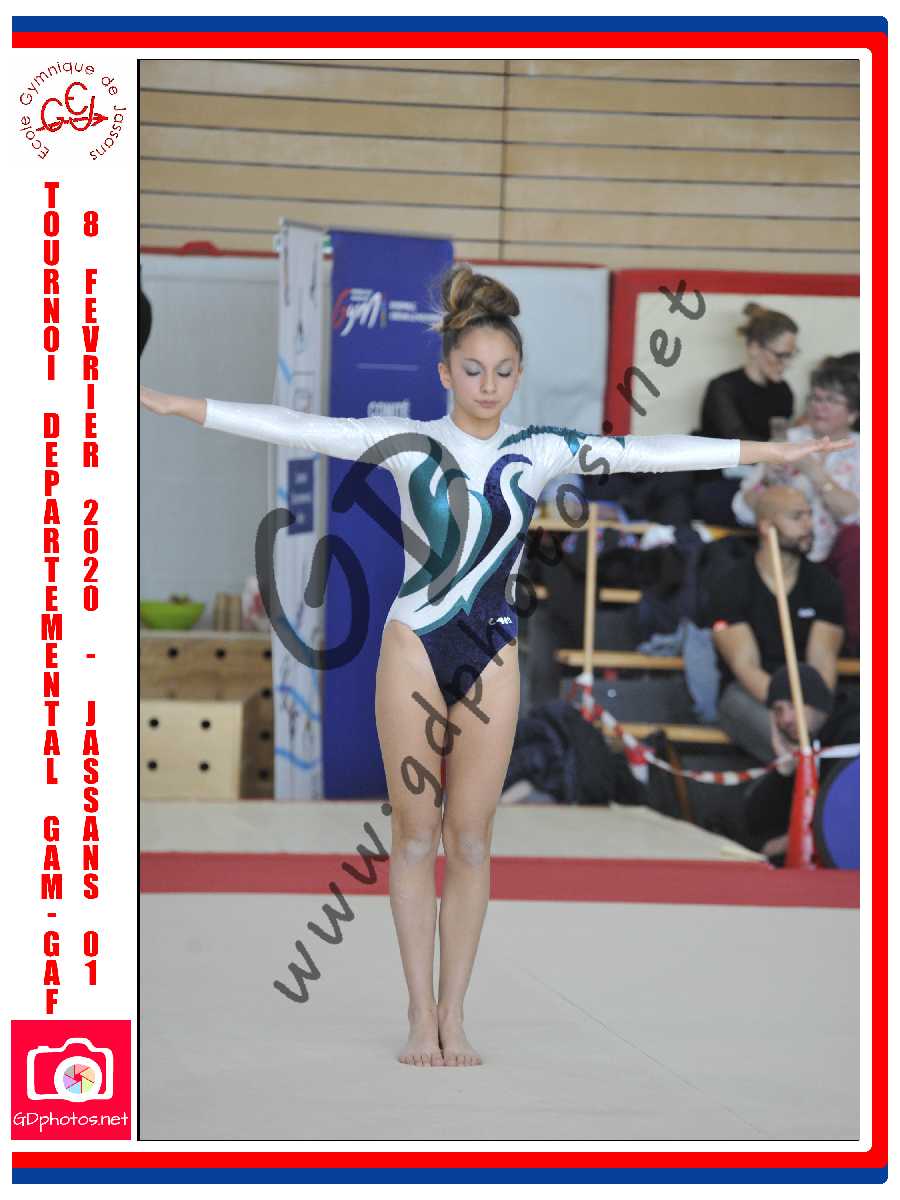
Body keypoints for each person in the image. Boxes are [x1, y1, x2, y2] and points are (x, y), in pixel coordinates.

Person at [140, 265, 851, 1068]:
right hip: (414, 642)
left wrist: (773, 450)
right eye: (473, 370)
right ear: (445, 373)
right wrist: (181, 406)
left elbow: (651, 453)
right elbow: (297, 427)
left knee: (472, 840)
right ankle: (419, 1013)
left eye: (504, 371)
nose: (488, 385)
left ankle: (456, 1011)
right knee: (416, 836)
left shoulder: (539, 449)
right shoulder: (410, 444)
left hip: (492, 652)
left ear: (519, 375)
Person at [708, 485, 847, 762]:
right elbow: (745, 666)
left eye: (809, 515)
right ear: (766, 526)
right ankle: (796, 772)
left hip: (809, 696)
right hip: (752, 694)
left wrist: (809, 708)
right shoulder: (730, 586)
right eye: (797, 517)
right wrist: (787, 709)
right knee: (778, 736)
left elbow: (822, 662)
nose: (808, 525)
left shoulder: (824, 586)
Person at [732, 356, 860, 649]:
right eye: (815, 398)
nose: (819, 406)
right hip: (786, 548)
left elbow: (857, 515)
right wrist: (767, 482)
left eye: (831, 400)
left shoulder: (867, 449)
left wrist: (813, 471)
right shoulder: (788, 439)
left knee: (861, 543)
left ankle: (855, 646)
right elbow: (743, 506)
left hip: (835, 555)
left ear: (852, 413)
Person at [693, 302, 798, 524]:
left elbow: (780, 437)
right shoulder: (723, 387)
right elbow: (736, 439)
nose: (787, 364)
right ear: (754, 348)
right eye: (780, 355)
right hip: (720, 478)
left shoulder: (783, 391)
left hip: (762, 474)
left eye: (791, 355)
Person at [741, 665, 859, 862]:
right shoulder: (807, 744)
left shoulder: (856, 731)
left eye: (793, 704)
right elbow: (756, 823)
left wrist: (792, 840)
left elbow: (847, 814)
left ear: (816, 701)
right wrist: (785, 768)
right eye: (778, 711)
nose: (785, 719)